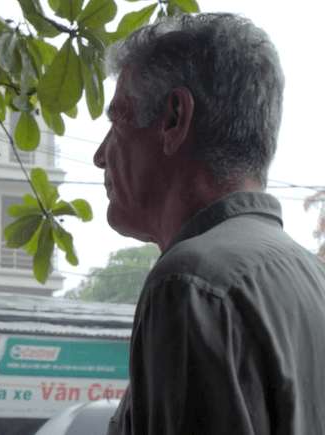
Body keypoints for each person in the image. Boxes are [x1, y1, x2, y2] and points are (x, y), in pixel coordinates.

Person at [95, 13, 325, 435]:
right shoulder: (313, 278)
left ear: (173, 119)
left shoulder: (191, 284)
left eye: (116, 122)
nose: (99, 155)